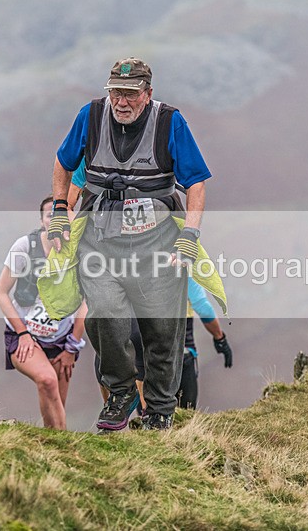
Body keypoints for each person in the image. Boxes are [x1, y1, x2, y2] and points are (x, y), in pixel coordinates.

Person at [40, 56, 227, 431]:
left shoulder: (170, 121)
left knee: (162, 331)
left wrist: (189, 236)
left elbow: (196, 183)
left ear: (147, 93)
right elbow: (63, 162)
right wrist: (61, 209)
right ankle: (122, 391)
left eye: (129, 93)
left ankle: (159, 411)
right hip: (101, 242)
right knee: (105, 315)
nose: (121, 101)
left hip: (157, 246)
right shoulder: (91, 117)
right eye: (115, 92)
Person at [0, 196, 88, 429]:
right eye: (50, 214)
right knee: (47, 380)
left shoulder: (80, 251)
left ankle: (53, 448)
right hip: (26, 336)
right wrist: (23, 333)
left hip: (63, 339)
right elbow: (1, 294)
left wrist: (72, 345)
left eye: (63, 215)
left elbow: (87, 301)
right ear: (42, 220)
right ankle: (68, 450)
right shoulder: (25, 247)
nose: (56, 219)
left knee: (55, 399)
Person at [134, 278, 233, 411]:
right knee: (186, 415)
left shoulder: (139, 268)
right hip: (182, 354)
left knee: (149, 414)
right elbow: (202, 307)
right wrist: (219, 338)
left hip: (148, 356)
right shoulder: (185, 270)